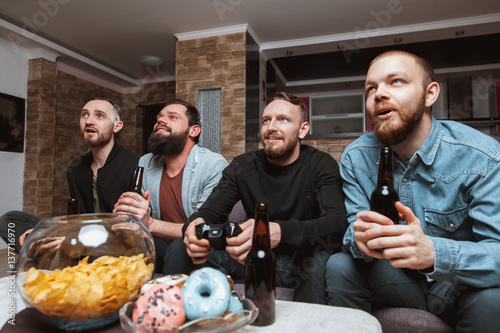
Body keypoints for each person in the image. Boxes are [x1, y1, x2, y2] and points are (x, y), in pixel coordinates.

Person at [325, 50, 500, 332]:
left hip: (459, 287)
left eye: (396, 81)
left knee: (494, 299)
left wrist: (434, 253)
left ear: (430, 94)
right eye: (371, 88)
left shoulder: (483, 157)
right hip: (398, 279)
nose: (379, 93)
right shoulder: (357, 157)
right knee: (340, 265)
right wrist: (361, 239)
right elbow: (351, 231)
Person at [167, 92, 347, 304]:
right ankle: (179, 315)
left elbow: (338, 223)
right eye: (266, 120)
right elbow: (211, 211)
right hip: (251, 260)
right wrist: (195, 226)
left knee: (320, 258)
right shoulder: (242, 166)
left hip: (303, 265)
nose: (271, 127)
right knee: (180, 245)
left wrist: (280, 231)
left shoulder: (320, 164)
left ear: (303, 130)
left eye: (283, 119)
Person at [0, 98, 139, 253]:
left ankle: (59, 256)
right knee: (10, 220)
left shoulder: (135, 165)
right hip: (82, 235)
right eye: (84, 115)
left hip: (118, 240)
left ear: (117, 126)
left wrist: (75, 240)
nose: (89, 121)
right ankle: (47, 251)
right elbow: (77, 219)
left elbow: (132, 225)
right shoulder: (75, 169)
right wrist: (49, 233)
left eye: (99, 116)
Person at [113, 99, 228, 274]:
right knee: (122, 243)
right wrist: (128, 215)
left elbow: (200, 229)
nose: (161, 121)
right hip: (161, 244)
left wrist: (149, 224)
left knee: (179, 248)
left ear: (194, 130)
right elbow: (141, 218)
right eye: (159, 118)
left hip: (201, 246)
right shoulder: (145, 162)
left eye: (172, 117)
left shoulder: (213, 165)